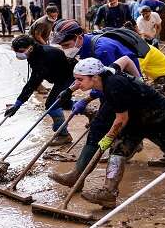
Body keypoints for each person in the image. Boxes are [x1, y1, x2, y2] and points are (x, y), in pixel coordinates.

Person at [71, 57, 165, 207]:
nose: (77, 83)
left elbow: (121, 119)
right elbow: (123, 64)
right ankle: (108, 193)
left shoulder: (114, 85)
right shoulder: (106, 79)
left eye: (80, 79)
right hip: (138, 121)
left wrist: (108, 137)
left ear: (95, 77)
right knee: (118, 150)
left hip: (162, 119)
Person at [48, 19, 145, 188]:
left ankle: (78, 178)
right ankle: (78, 177)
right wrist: (69, 91)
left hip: (123, 89)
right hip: (113, 89)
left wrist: (85, 99)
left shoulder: (102, 49)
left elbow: (104, 81)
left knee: (101, 129)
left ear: (79, 36)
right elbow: (87, 75)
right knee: (105, 130)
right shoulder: (85, 46)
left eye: (67, 44)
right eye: (62, 46)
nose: (65, 49)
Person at [6, 35, 75, 146]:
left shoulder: (44, 56)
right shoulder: (34, 53)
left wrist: (18, 103)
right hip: (59, 77)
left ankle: (63, 135)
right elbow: (34, 79)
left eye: (21, 51)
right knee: (63, 103)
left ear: (30, 47)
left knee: (52, 105)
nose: (18, 54)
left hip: (68, 77)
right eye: (16, 52)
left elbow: (33, 81)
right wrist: (18, 103)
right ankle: (88, 109)